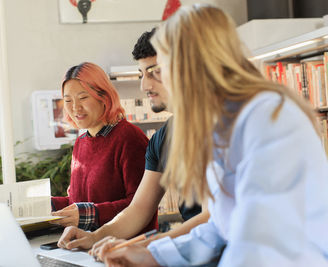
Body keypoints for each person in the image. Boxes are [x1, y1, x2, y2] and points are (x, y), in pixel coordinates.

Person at [102, 4, 328, 267]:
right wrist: (149, 254)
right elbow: (219, 225)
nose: (152, 82)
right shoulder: (217, 123)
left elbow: (260, 243)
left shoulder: (267, 116)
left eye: (161, 69)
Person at [57, 29, 210, 252]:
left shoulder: (220, 129)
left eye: (153, 72)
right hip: (195, 251)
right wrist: (96, 238)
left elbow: (211, 219)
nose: (144, 86)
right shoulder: (163, 138)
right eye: (141, 75)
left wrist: (145, 247)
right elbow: (139, 209)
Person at [50, 62, 156, 233]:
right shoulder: (81, 142)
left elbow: (141, 206)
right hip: (84, 245)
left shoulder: (129, 138)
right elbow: (76, 201)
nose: (75, 107)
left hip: (123, 248)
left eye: (83, 98)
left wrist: (89, 214)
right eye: (68, 100)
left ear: (104, 97)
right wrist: (44, 205)